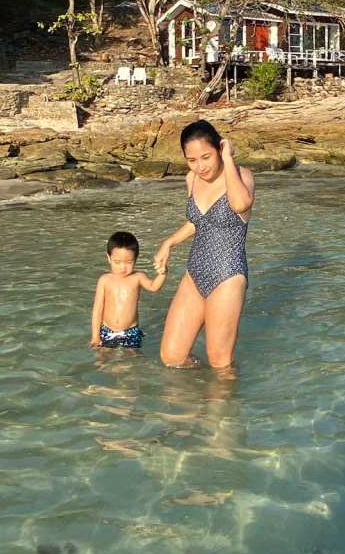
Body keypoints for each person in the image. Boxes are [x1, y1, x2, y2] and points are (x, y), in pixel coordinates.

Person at [154, 120, 255, 370]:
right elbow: (198, 221)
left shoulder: (242, 176)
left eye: (206, 157)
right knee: (172, 357)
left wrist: (228, 160)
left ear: (219, 148)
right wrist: (169, 242)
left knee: (220, 362)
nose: (200, 166)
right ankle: (198, 399)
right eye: (192, 160)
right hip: (195, 271)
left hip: (228, 274)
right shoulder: (192, 179)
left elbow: (241, 205)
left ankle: (222, 405)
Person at [90, 231, 167, 351]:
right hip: (106, 330)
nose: (123, 267)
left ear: (135, 259)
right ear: (109, 258)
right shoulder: (104, 280)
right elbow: (97, 310)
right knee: (103, 361)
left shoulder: (138, 277)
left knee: (131, 362)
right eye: (117, 262)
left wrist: (162, 273)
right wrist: (95, 336)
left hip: (130, 332)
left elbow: (153, 287)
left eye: (129, 262)